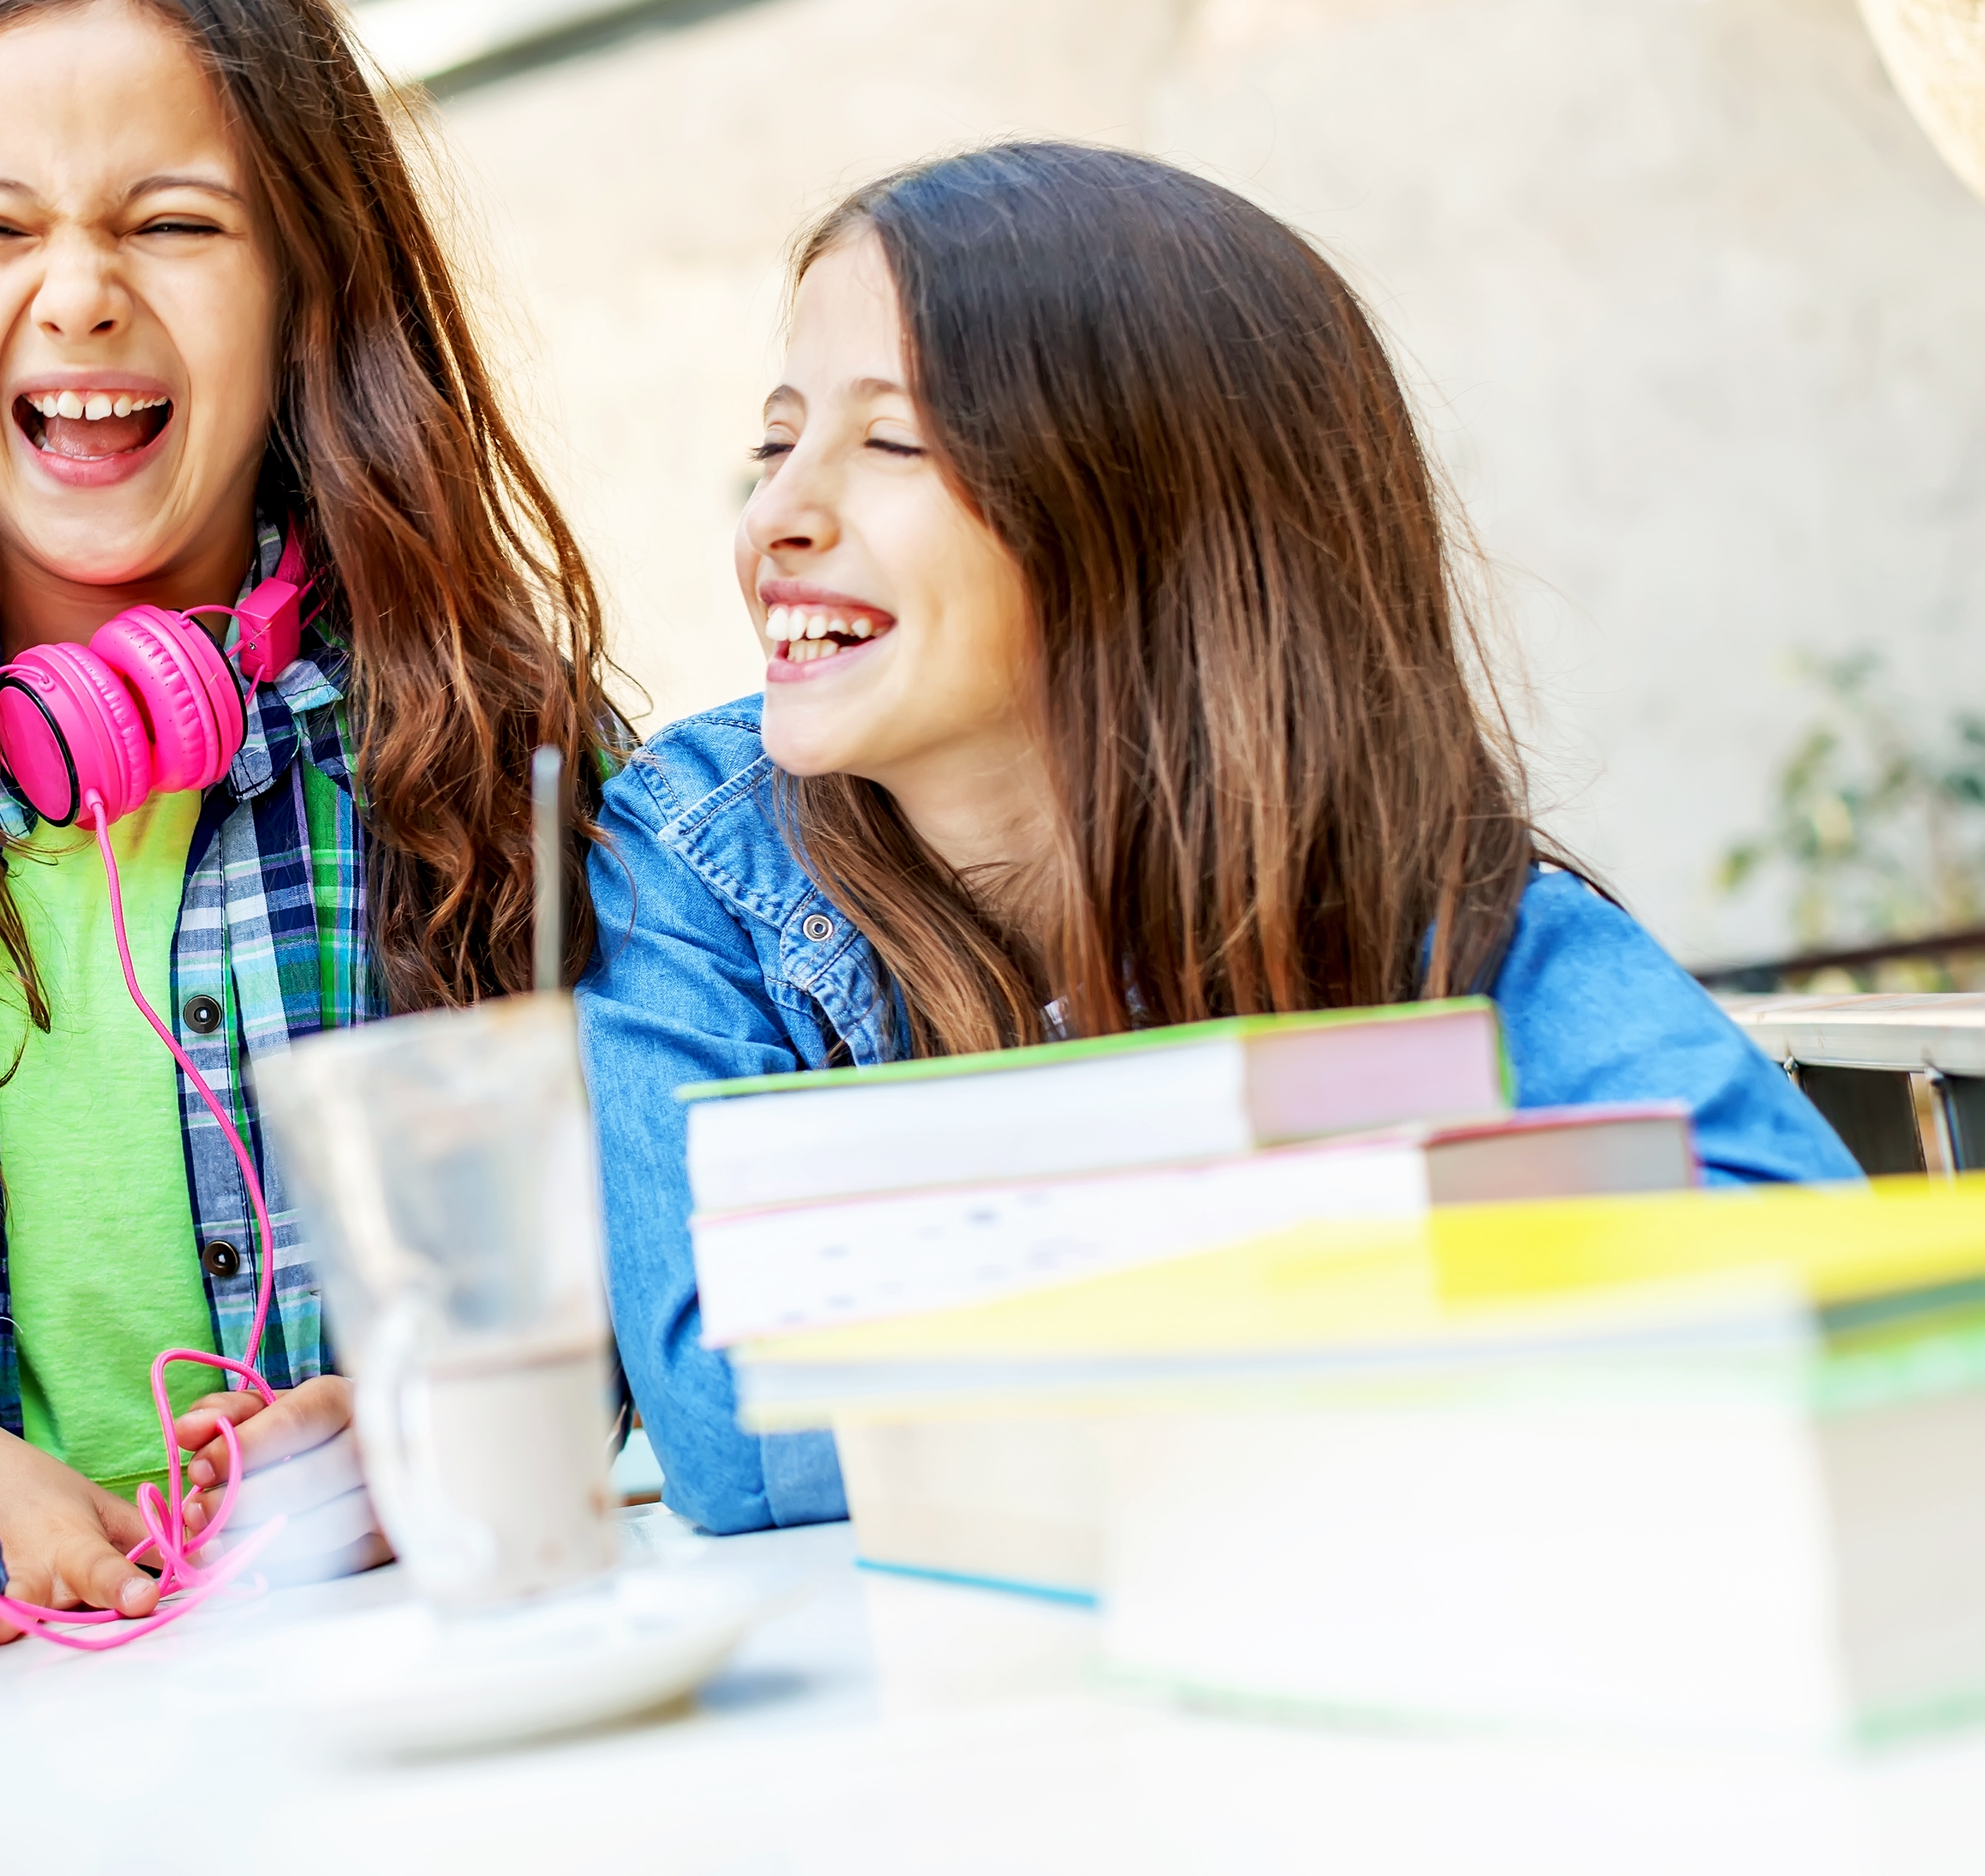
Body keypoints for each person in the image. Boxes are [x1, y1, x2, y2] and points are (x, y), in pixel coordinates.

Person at [577, 142, 1860, 1537]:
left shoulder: (1396, 889)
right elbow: (736, 1423)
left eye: (892, 441)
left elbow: (1793, 1252)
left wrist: (977, 1307)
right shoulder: (694, 859)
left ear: (1151, 512)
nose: (777, 512)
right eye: (778, 443)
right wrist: (1366, 1233)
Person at [0, 0, 620, 1629]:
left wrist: (447, 1409)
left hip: (413, 1650)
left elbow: (633, 1269)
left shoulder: (488, 745)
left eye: (175, 222)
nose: (79, 294)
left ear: (305, 281)